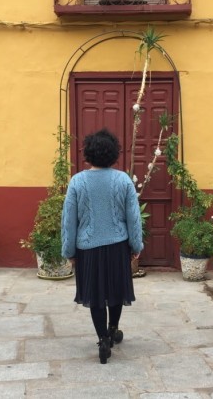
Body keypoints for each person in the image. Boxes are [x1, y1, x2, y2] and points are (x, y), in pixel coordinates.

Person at [61, 128, 144, 364]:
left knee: (96, 295)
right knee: (116, 291)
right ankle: (113, 329)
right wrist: (136, 245)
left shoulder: (77, 181)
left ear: (88, 153)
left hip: (88, 249)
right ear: (114, 154)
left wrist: (68, 251)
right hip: (118, 246)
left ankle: (103, 340)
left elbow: (69, 220)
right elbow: (133, 217)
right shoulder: (123, 180)